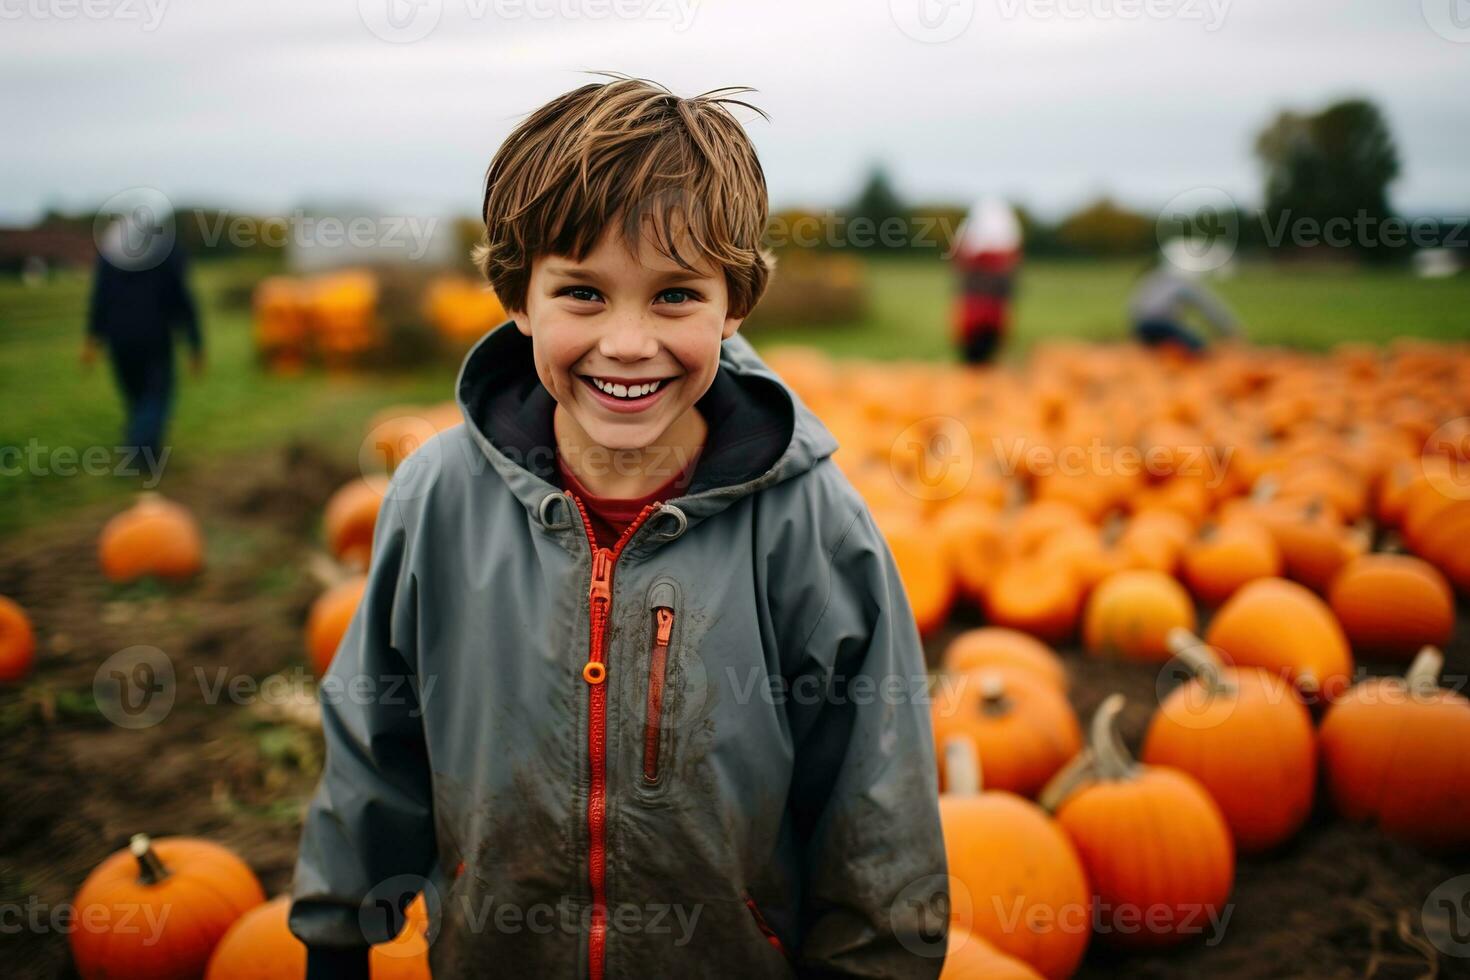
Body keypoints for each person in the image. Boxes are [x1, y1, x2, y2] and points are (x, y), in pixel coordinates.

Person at [288, 77, 948, 979]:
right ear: (519, 300)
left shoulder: (809, 519)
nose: (629, 342)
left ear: (736, 303)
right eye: (584, 295)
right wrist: (335, 933)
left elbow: (874, 793)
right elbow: (376, 736)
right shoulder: (435, 499)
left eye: (676, 295)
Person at [83, 207, 203, 462]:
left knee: (136, 396)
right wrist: (195, 343)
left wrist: (92, 338)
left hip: (119, 339)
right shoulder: (166, 254)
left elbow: (99, 299)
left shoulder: (110, 258)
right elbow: (183, 300)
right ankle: (139, 447)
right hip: (156, 338)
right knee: (156, 396)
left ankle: (144, 447)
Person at [1128, 241, 1241, 353]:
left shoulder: (1153, 276)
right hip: (1162, 324)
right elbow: (1208, 307)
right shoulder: (1182, 281)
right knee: (1198, 347)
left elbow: (1134, 306)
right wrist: (1230, 329)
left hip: (1141, 326)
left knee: (1162, 343)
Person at [950, 194, 1022, 364]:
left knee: (978, 342)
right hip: (986, 298)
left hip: (980, 298)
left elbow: (958, 258)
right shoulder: (1007, 230)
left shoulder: (971, 230)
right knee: (985, 342)